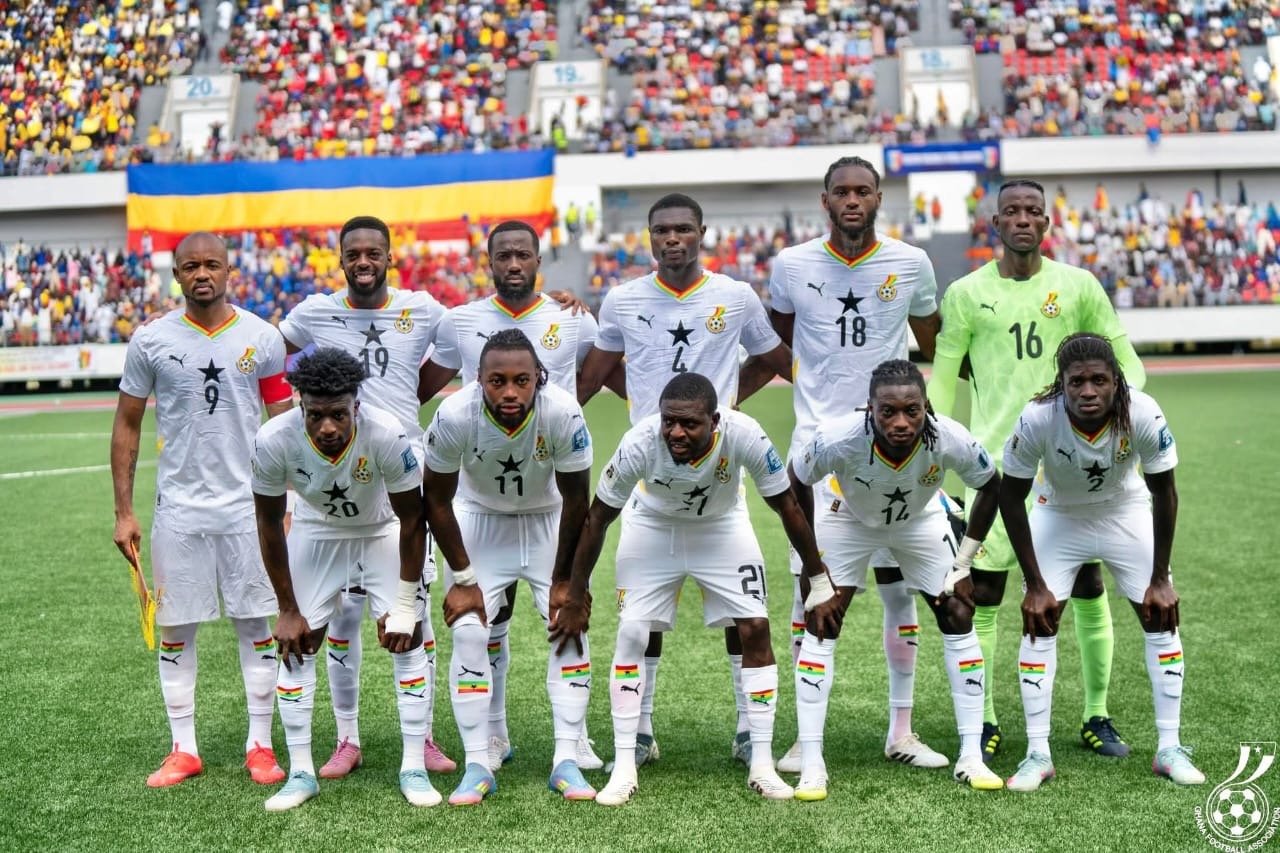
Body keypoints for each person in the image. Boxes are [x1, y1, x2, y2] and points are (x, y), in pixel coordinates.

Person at [928, 178, 1148, 763]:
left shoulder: (1078, 286)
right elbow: (942, 383)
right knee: (985, 591)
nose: (1023, 219)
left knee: (1087, 583)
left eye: (1033, 211)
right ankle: (986, 720)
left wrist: (1119, 421)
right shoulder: (966, 294)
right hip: (995, 469)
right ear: (995, 224)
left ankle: (1096, 714)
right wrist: (936, 450)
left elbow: (1129, 368)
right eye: (1012, 211)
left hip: (1066, 466)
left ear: (1047, 223)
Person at [577, 192, 792, 769]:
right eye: (661, 231)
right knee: (641, 617)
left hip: (717, 475)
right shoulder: (623, 299)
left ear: (702, 233)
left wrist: (727, 406)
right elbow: (594, 375)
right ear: (649, 238)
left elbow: (774, 358)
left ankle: (748, 729)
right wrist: (643, 409)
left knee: (741, 613)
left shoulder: (734, 296)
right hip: (651, 474)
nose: (672, 239)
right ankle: (641, 732)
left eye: (682, 229)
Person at [551, 373, 834, 805]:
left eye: (689, 424)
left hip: (722, 527)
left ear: (715, 421)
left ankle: (761, 763)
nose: (676, 432)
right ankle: (625, 765)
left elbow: (788, 506)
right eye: (669, 421)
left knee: (755, 626)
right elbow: (597, 519)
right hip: (652, 527)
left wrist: (817, 579)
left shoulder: (745, 434)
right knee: (632, 631)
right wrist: (575, 594)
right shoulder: (640, 442)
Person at [759, 155, 948, 775]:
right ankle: (802, 737)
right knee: (810, 594)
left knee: (900, 594)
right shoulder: (792, 265)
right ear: (825, 201)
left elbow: (934, 339)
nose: (851, 201)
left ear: (878, 198)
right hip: (819, 453)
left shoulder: (910, 262)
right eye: (840, 191)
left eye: (862, 191)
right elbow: (779, 341)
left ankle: (903, 730)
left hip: (895, 448)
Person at [418, 220, 622, 774]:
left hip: (546, 488)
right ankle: (492, 735)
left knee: (566, 616)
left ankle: (573, 741)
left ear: (538, 261)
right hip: (481, 498)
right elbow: (422, 385)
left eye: (523, 255)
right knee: (485, 623)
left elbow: (599, 375)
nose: (513, 264)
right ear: (489, 262)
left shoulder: (572, 318)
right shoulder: (461, 321)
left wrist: (559, 425)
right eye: (503, 255)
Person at [110, 231, 293, 788]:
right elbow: (127, 424)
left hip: (248, 509)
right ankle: (183, 748)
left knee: (255, 622)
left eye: (212, 264)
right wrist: (123, 511)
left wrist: (288, 503)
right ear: (177, 274)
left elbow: (285, 423)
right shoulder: (151, 340)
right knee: (175, 627)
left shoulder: (262, 337)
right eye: (191, 266)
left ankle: (260, 745)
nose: (202, 274)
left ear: (230, 270)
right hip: (179, 510)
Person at [277, 215, 454, 777]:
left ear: (389, 257)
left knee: (412, 612)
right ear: (340, 259)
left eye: (372, 252)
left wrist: (409, 400)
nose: (363, 261)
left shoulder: (421, 309)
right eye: (352, 253)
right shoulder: (315, 312)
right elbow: (268, 351)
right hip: (332, 475)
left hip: (399, 473)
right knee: (342, 616)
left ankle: (424, 737)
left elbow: (464, 341)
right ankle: (346, 739)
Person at [789, 360, 1006, 798]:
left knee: (959, 609)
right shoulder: (839, 437)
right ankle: (812, 763)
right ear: (869, 409)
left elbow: (991, 483)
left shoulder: (948, 436)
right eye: (888, 412)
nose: (901, 422)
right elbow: (795, 481)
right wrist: (814, 568)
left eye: (912, 410)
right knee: (822, 618)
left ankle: (970, 757)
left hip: (918, 520)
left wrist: (964, 562)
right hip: (846, 518)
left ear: (927, 407)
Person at [998, 334, 1203, 790]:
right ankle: (1037, 753)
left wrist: (1160, 577)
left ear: (1117, 381)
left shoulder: (1143, 412)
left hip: (1124, 511)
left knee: (1160, 616)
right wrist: (1034, 584)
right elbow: (1010, 497)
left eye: (1099, 380)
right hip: (1058, 514)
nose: (1088, 391)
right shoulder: (1037, 417)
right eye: (1077, 382)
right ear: (1062, 384)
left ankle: (1169, 748)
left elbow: (1165, 492)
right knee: (1040, 622)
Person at [251, 348, 437, 811]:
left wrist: (406, 603)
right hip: (316, 532)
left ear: (357, 404)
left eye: (338, 414)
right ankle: (301, 773)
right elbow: (268, 524)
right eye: (315, 415)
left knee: (407, 637)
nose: (327, 427)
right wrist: (287, 609)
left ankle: (413, 766)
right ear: (300, 406)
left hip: (381, 530)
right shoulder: (273, 439)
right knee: (297, 643)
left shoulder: (386, 432)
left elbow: (412, 519)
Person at [423, 330, 596, 805]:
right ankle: (478, 762)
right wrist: (463, 579)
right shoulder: (454, 414)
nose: (510, 392)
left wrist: (565, 581)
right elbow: (435, 500)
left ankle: (566, 759)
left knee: (568, 623)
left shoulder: (563, 412)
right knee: (468, 632)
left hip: (547, 520)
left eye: (522, 380)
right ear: (478, 380)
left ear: (539, 377)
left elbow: (577, 500)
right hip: (480, 520)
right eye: (496, 381)